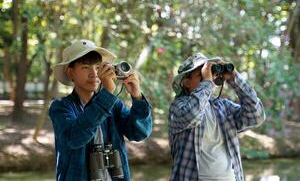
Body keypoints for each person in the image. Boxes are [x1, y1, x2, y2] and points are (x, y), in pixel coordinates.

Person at [49, 39, 152, 181]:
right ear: (70, 72)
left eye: (98, 67)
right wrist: (107, 93)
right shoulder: (61, 107)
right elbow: (73, 138)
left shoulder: (114, 105)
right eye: (85, 67)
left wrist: (137, 97)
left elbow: (139, 133)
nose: (94, 74)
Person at [168, 52, 265, 181]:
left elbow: (256, 116)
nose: (206, 77)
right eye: (200, 75)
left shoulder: (222, 106)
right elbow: (192, 115)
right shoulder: (178, 107)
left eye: (207, 74)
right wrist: (207, 83)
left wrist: (234, 78)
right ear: (186, 82)